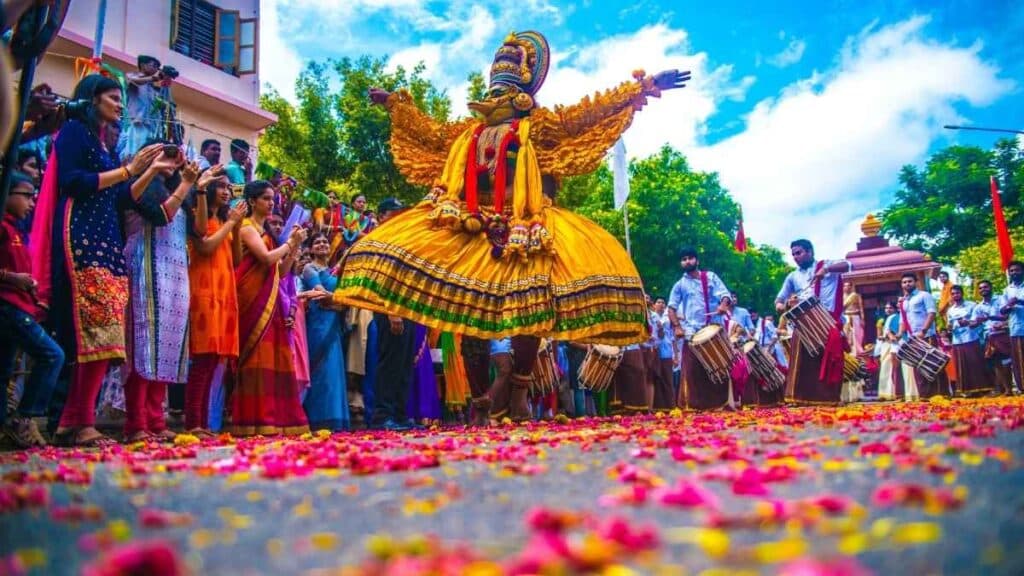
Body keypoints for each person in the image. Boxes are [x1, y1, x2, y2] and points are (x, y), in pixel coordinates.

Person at [335, 31, 689, 423]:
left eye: (506, 89)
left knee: (528, 310)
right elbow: (428, 132)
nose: (498, 97)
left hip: (526, 228)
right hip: (470, 227)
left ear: (525, 90)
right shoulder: (467, 134)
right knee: (467, 312)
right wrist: (398, 106)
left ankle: (518, 391)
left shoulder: (542, 127)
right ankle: (479, 400)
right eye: (495, 89)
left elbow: (592, 114)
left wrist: (644, 87)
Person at [31, 74, 164, 447]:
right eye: (113, 97)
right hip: (82, 235)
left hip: (107, 240)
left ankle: (75, 419)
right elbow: (74, 182)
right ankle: (76, 421)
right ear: (92, 99)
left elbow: (122, 197)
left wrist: (148, 171)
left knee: (106, 337)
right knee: (90, 332)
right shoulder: (74, 131)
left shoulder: (103, 144)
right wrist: (128, 170)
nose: (120, 105)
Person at [122, 146, 208, 442]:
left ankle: (156, 420)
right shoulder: (144, 185)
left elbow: (199, 231)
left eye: (175, 157)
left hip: (176, 271)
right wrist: (177, 180)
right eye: (166, 156)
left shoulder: (179, 190)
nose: (172, 162)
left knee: (169, 346)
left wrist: (198, 188)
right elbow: (161, 217)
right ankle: (136, 422)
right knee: (145, 343)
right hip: (147, 263)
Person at [231, 180, 309, 436]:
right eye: (266, 198)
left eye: (272, 198)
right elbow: (265, 260)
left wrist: (294, 245)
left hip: (271, 302)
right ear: (252, 201)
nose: (271, 202)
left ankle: (276, 419)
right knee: (256, 360)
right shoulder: (246, 228)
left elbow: (282, 270)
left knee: (275, 359)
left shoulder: (268, 235)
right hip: (252, 301)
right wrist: (289, 243)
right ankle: (253, 420)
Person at [0, 172, 62, 447]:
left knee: (3, 370)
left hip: (19, 303)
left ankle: (4, 425)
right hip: (8, 306)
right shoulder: (3, 227)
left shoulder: (16, 229)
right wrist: (12, 279)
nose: (32, 201)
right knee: (52, 355)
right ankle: (24, 418)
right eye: (25, 194)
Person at [185, 177, 244, 435]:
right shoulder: (198, 215)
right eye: (221, 186)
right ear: (207, 189)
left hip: (223, 293)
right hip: (203, 292)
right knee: (202, 360)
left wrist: (237, 227)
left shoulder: (224, 222)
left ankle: (203, 423)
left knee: (212, 362)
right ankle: (192, 423)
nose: (226, 191)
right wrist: (231, 222)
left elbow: (237, 260)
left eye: (228, 188)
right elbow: (206, 246)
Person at [774, 239, 852, 405]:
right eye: (794, 254)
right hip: (803, 324)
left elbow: (849, 265)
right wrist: (785, 304)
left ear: (810, 252)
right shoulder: (792, 276)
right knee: (801, 363)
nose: (796, 257)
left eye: (799, 252)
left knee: (829, 360)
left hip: (827, 321)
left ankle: (828, 399)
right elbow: (779, 300)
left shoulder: (827, 265)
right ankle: (801, 398)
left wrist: (826, 269)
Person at [368, 198, 419, 431]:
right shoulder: (378, 240)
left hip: (407, 307)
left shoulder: (401, 240)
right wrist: (391, 312)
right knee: (390, 362)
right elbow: (379, 280)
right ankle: (382, 415)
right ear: (380, 216)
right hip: (389, 308)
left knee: (404, 363)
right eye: (393, 213)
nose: (399, 217)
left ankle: (399, 414)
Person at [667, 247, 734, 410]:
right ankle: (693, 405)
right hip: (692, 332)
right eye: (683, 259)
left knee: (719, 368)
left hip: (713, 328)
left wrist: (723, 305)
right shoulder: (679, 285)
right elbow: (671, 308)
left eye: (690, 258)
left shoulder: (710, 277)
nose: (687, 261)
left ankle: (721, 404)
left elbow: (725, 295)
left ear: (697, 260)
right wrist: (677, 327)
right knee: (692, 370)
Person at [300, 233, 350, 431]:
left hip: (333, 327)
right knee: (320, 371)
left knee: (335, 371)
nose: (322, 244)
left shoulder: (334, 272)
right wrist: (340, 300)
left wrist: (338, 302)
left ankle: (335, 420)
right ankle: (317, 420)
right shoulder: (309, 268)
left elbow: (345, 303)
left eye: (325, 242)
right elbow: (320, 294)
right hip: (317, 326)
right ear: (311, 249)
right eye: (317, 242)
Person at [897, 272, 947, 399]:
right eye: (904, 282)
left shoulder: (924, 295)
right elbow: (903, 320)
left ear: (916, 282)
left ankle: (941, 394)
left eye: (909, 281)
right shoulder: (903, 302)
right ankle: (925, 396)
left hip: (926, 336)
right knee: (918, 368)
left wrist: (923, 331)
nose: (907, 284)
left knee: (934, 365)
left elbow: (931, 313)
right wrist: (899, 335)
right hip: (912, 339)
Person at [119, 55, 175, 159]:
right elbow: (132, 81)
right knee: (133, 156)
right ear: (143, 65)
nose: (156, 69)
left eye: (158, 67)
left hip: (151, 128)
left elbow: (165, 106)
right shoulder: (133, 76)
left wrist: (165, 85)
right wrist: (153, 78)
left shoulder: (153, 89)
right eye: (154, 65)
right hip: (136, 124)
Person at [947, 285, 990, 397]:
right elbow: (949, 325)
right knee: (962, 366)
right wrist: (951, 326)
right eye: (953, 293)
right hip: (957, 341)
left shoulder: (972, 305)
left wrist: (968, 322)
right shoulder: (950, 310)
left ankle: (983, 389)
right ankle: (967, 391)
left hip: (971, 338)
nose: (955, 295)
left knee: (975, 364)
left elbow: (978, 321)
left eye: (957, 293)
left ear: (962, 293)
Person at [973, 280, 1015, 395]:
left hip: (1003, 333)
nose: (983, 290)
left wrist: (1001, 322)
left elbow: (1008, 314)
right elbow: (973, 323)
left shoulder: (1001, 299)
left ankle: (1010, 388)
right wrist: (967, 322)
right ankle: (1004, 389)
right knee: (996, 364)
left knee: (1007, 362)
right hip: (989, 336)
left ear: (991, 287)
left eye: (985, 287)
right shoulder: (978, 307)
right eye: (980, 288)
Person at [1000, 261, 1024, 394]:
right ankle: (1022, 387)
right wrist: (1008, 305)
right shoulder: (1007, 290)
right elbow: (1002, 311)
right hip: (1016, 329)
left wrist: (1019, 301)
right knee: (1019, 360)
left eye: (1017, 270)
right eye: (1012, 271)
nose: (1014, 273)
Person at [650, 297, 675, 411]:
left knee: (667, 378)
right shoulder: (651, 317)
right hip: (653, 350)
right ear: (654, 305)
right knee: (656, 377)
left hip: (666, 350)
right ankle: (657, 406)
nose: (661, 304)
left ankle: (669, 405)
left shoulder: (668, 318)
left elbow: (673, 336)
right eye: (658, 302)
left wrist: (676, 355)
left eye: (663, 302)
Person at [876, 302, 901, 400]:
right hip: (886, 345)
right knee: (886, 368)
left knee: (888, 368)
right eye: (886, 308)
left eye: (890, 308)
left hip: (892, 345)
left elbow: (893, 333)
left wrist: (886, 336)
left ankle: (890, 393)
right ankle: (885, 393)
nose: (888, 310)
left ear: (894, 309)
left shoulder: (895, 317)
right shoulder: (886, 319)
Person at [842, 281, 865, 355]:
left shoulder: (856, 295)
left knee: (857, 335)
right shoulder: (841, 296)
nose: (847, 287)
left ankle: (858, 352)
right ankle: (849, 352)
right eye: (845, 286)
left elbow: (861, 308)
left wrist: (862, 319)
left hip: (855, 316)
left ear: (851, 287)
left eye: (849, 286)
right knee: (847, 335)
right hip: (846, 317)